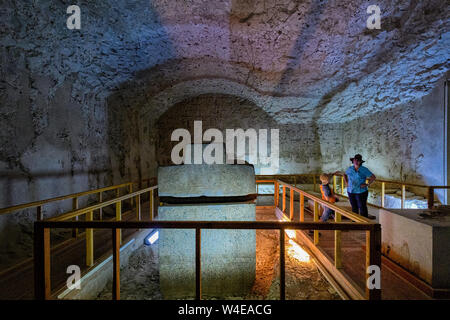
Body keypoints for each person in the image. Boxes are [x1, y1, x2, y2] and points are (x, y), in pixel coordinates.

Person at [344, 154, 376, 219]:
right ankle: (355, 222)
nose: (356, 161)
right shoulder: (350, 169)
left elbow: (373, 177)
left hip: (361, 192)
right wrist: (346, 182)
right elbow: (344, 174)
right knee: (354, 207)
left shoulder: (364, 169)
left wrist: (367, 184)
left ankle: (364, 223)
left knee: (362, 207)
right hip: (351, 191)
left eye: (358, 160)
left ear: (360, 162)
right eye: (355, 160)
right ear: (353, 161)